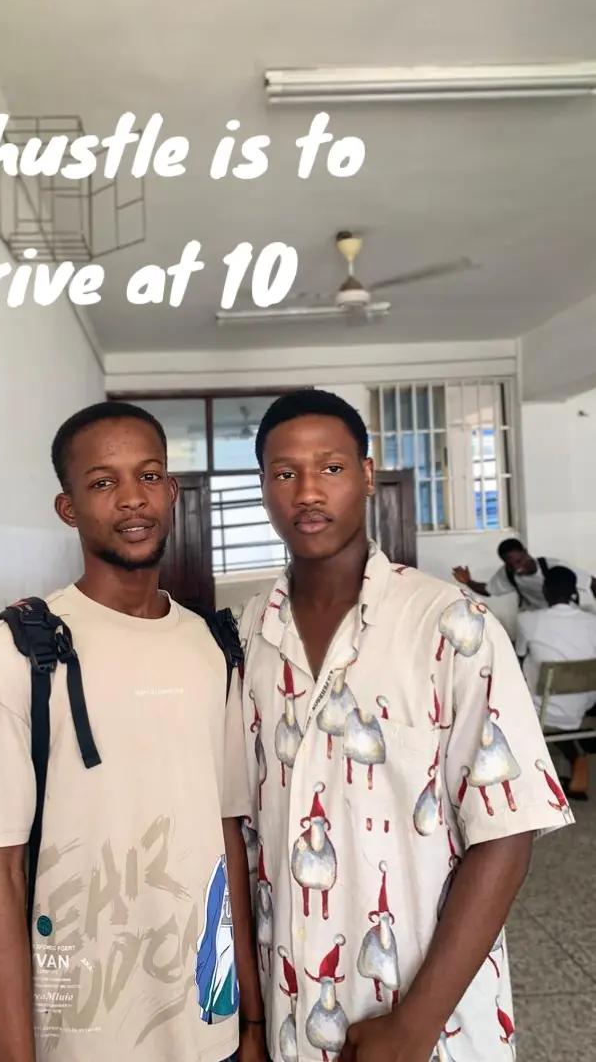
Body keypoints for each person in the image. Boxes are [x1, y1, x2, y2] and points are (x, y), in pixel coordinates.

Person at [233, 389, 571, 1062]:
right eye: (284, 472)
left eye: (330, 467)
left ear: (366, 474)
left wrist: (414, 1026)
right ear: (263, 486)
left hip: (432, 1026)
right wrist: (252, 1018)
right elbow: (242, 835)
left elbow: (506, 832)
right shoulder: (246, 635)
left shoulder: (453, 625)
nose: (307, 492)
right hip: (289, 1015)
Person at [0, 401, 266, 1062]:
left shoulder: (214, 645)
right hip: (82, 1036)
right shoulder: (23, 648)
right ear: (69, 508)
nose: (132, 498)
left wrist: (250, 1022)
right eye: (103, 482)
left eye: (149, 475)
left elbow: (226, 835)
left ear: (172, 491)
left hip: (210, 1029)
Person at [516, 565, 596, 801]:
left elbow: (518, 657)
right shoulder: (592, 621)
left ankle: (525, 771)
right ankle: (577, 758)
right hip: (583, 704)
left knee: (523, 667)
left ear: (545, 590)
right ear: (574, 591)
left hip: (542, 707)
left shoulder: (527, 620)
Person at [453, 538, 595, 610]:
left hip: (568, 615)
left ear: (526, 552)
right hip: (538, 621)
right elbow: (488, 590)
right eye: (510, 564)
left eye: (519, 561)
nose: (516, 568)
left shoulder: (554, 567)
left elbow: (592, 582)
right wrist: (468, 581)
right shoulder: (507, 573)